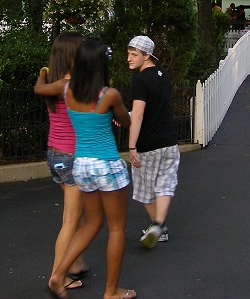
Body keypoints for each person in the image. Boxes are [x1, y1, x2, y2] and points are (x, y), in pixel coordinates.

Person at [48, 39, 135, 299]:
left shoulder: (67, 91)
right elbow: (126, 121)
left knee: (92, 222)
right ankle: (111, 291)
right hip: (107, 164)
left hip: (82, 166)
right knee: (117, 228)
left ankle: (58, 274)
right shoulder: (109, 95)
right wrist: (115, 116)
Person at [34, 32, 89, 292]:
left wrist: (44, 71)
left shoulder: (53, 84)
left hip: (54, 154)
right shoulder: (74, 86)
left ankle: (75, 261)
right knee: (71, 219)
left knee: (77, 213)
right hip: (73, 158)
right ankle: (59, 276)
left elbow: (38, 86)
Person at [126, 35, 180, 250]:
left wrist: (131, 147)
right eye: (128, 53)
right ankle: (159, 226)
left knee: (145, 189)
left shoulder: (140, 80)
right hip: (169, 141)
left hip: (148, 144)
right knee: (165, 184)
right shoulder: (163, 75)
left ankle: (159, 226)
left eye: (134, 54)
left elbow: (138, 114)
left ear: (147, 56)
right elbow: (155, 108)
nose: (129, 59)